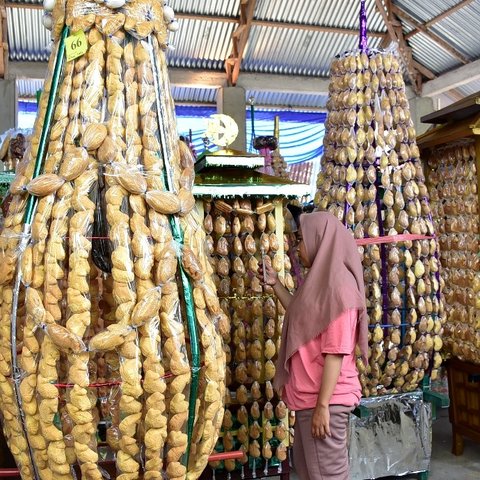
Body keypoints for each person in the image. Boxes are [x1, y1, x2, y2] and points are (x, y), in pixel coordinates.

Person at [262, 211, 368, 480]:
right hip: (311, 401)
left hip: (326, 402)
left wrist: (322, 406)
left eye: (301, 240)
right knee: (311, 473)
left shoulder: (339, 289)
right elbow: (302, 318)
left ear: (319, 239)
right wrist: (276, 285)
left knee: (327, 476)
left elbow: (336, 352)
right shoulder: (320, 283)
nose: (297, 248)